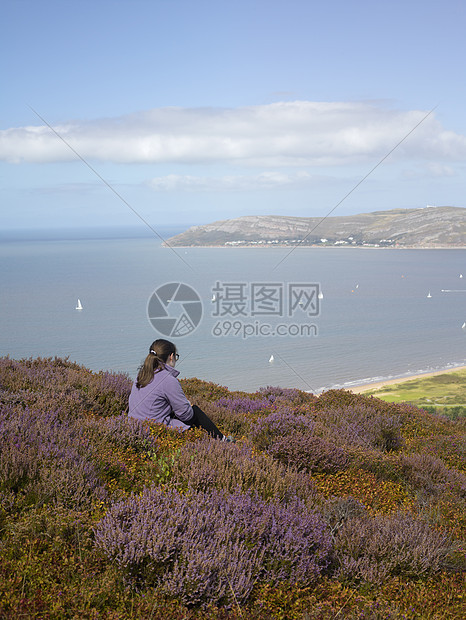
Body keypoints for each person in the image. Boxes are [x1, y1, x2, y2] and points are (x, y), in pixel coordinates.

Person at [129, 339, 232, 441]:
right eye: (176, 357)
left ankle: (221, 439)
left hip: (133, 426)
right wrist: (188, 405)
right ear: (171, 356)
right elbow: (186, 415)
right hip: (155, 429)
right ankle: (222, 440)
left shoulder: (142, 374)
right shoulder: (168, 380)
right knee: (194, 411)